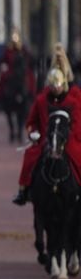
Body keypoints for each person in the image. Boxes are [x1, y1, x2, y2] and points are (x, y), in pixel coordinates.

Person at [12, 59, 81, 205]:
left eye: (58, 86)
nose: (56, 89)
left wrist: (68, 137)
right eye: (53, 86)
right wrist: (33, 133)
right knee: (30, 156)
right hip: (45, 139)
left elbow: (77, 125)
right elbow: (31, 122)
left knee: (78, 157)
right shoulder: (41, 100)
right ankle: (23, 189)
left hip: (67, 139)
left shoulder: (72, 102)